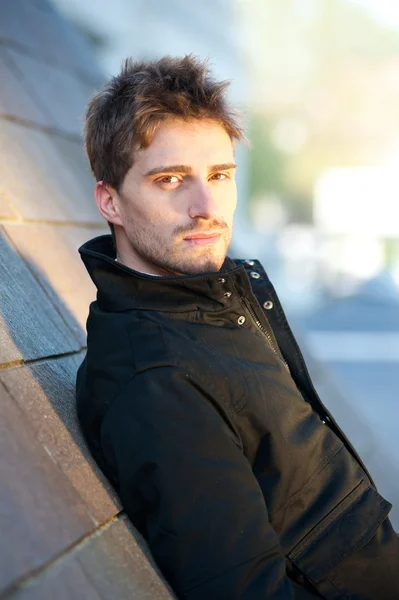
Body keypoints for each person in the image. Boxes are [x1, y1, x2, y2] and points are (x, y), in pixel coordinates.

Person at [76, 55, 399, 600]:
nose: (206, 206)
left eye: (219, 175)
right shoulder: (156, 381)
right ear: (111, 200)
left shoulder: (211, 301)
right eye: (171, 179)